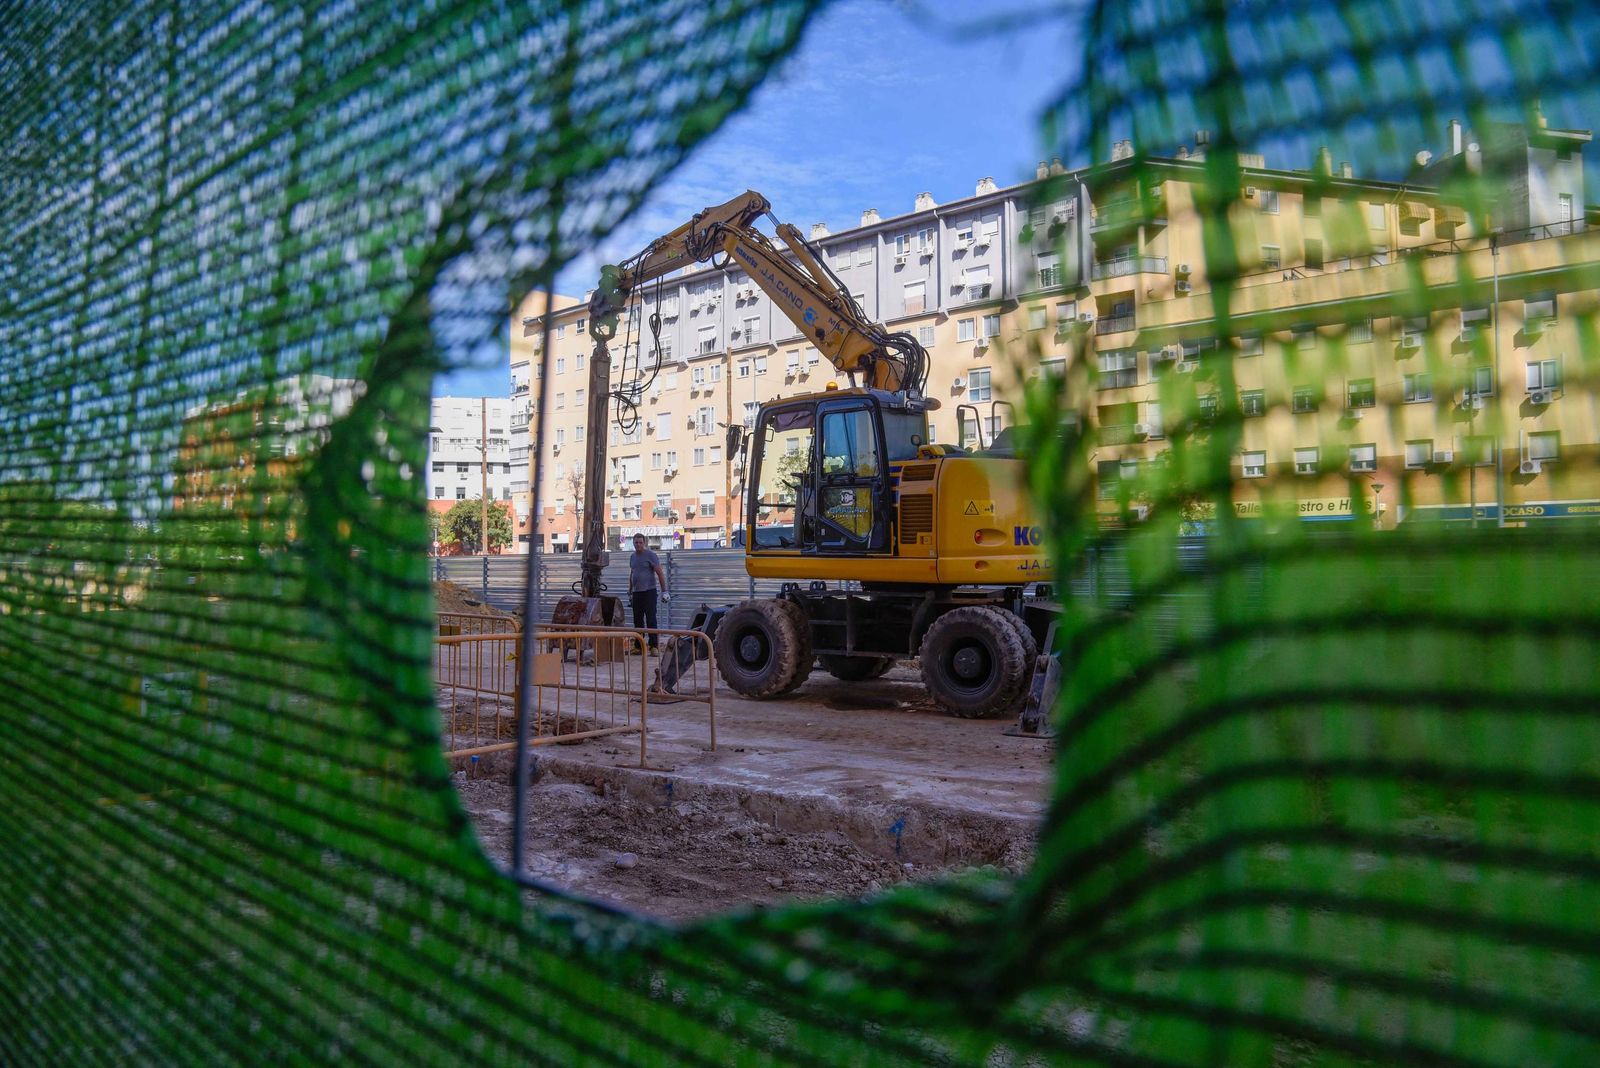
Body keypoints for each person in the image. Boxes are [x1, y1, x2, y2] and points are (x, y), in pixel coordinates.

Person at [627, 533, 668, 651]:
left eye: (640, 542)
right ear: (633, 543)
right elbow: (632, 574)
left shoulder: (651, 555)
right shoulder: (632, 557)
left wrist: (664, 591)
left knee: (651, 619)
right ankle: (639, 647)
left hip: (649, 592)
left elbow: (659, 573)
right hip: (637, 593)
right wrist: (630, 591)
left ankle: (654, 646)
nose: (638, 544)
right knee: (637, 620)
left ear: (644, 543)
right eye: (636, 542)